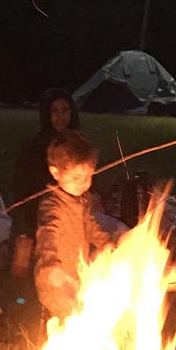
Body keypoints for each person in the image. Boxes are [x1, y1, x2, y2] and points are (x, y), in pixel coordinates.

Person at [33, 130, 113, 320]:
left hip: (76, 271)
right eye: (76, 177)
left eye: (88, 177)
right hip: (54, 276)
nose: (83, 183)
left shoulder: (81, 200)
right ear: (55, 172)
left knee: (84, 309)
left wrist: (104, 242)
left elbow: (89, 224)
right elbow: (47, 233)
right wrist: (51, 263)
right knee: (67, 314)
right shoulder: (52, 205)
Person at [11, 88, 79, 251]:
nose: (61, 117)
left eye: (65, 110)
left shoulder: (77, 143)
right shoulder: (37, 148)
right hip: (45, 212)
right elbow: (27, 188)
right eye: (54, 111)